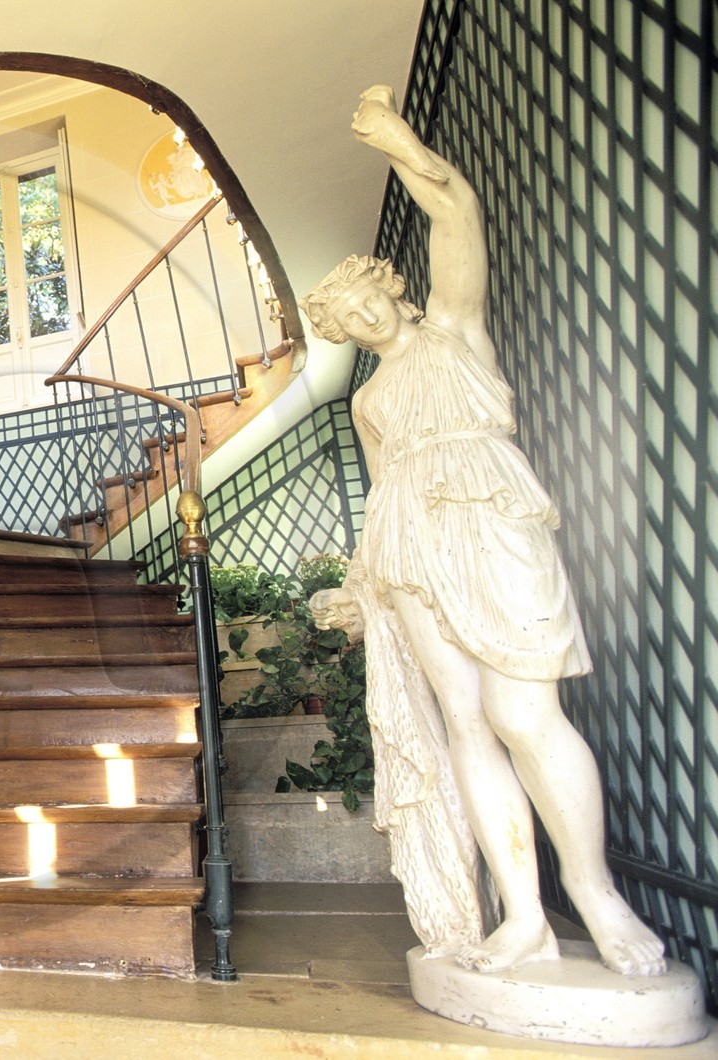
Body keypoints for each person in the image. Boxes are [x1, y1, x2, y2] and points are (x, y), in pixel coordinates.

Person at [301, 86, 665, 977]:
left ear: (388, 287)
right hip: (411, 553)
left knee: (525, 711)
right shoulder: (367, 401)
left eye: (365, 298)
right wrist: (356, 588)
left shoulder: (456, 329)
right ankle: (525, 915)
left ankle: (596, 894)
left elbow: (458, 210)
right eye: (344, 320)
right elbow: (380, 499)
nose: (362, 318)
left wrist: (398, 143)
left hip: (493, 522)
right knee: (466, 720)